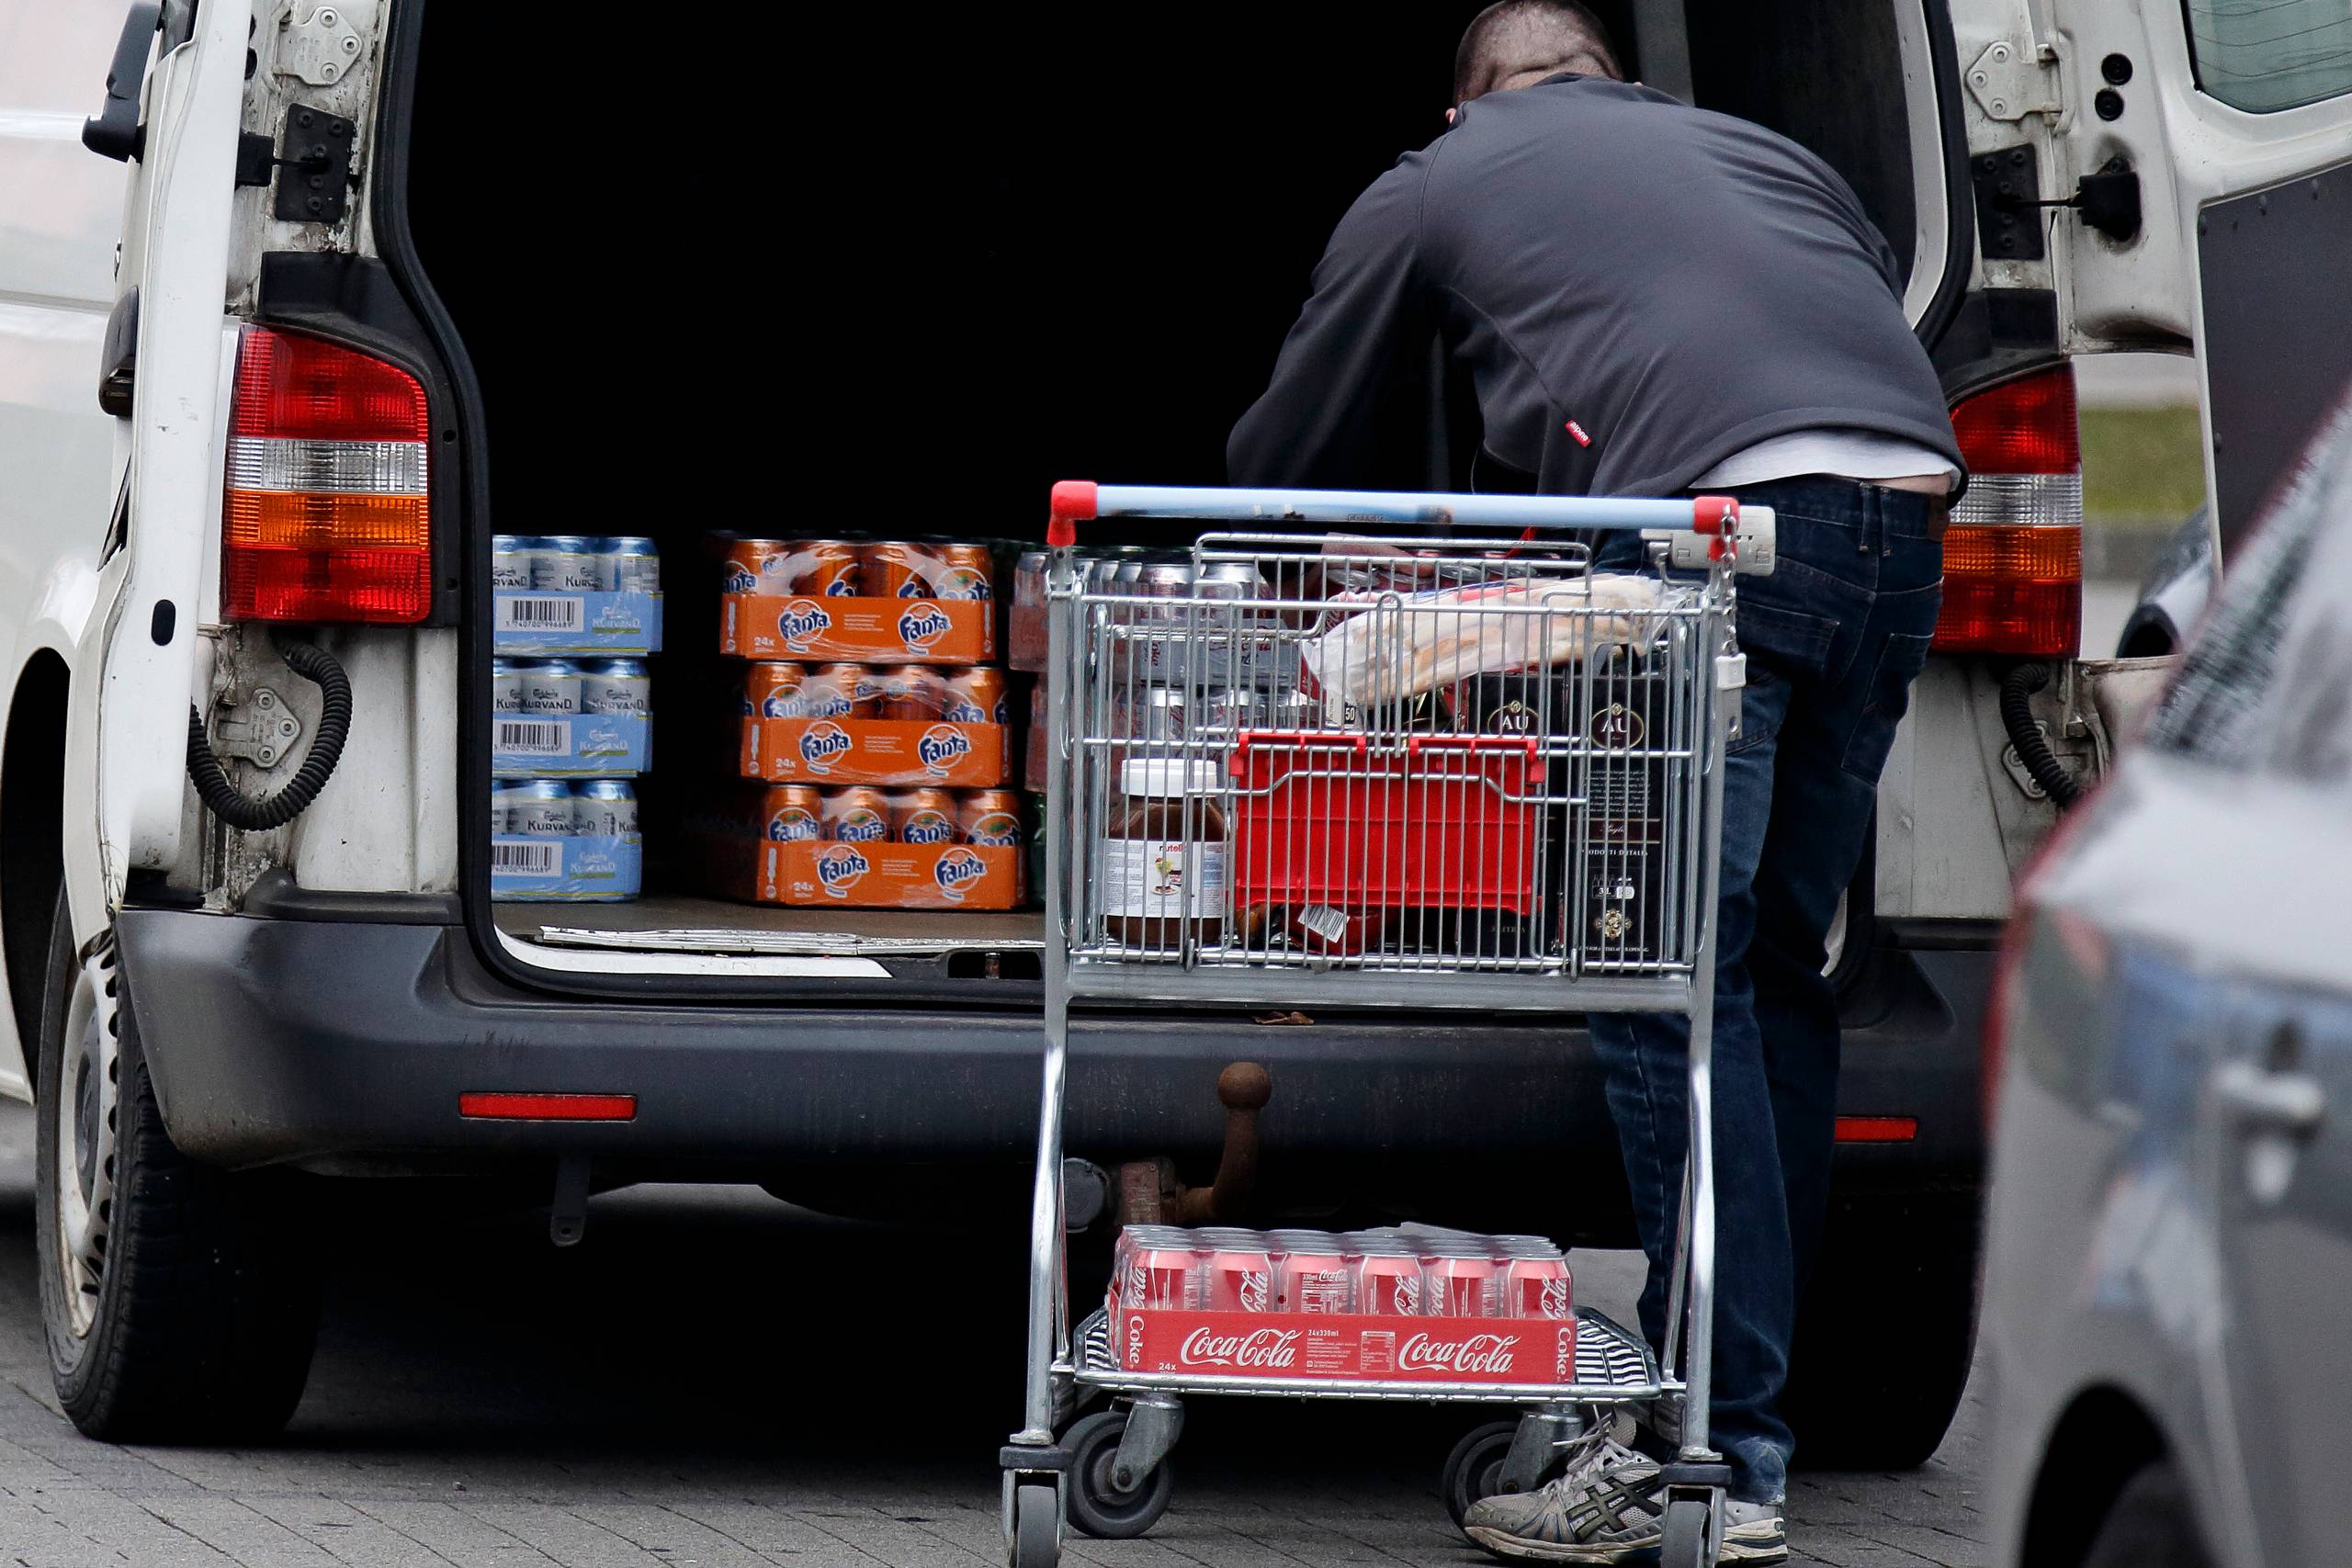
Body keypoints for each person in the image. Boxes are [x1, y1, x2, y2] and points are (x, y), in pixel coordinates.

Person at [1227, 5, 1960, 1563]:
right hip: (1902, 526)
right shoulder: (1757, 149)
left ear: (1466, 103)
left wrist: (1239, 540)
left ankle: (1714, 1460)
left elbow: (1301, 423)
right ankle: (1752, 1427)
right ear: (1613, 81)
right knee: (1768, 970)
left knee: (1659, 982)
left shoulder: (1445, 174)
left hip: (1714, 545)